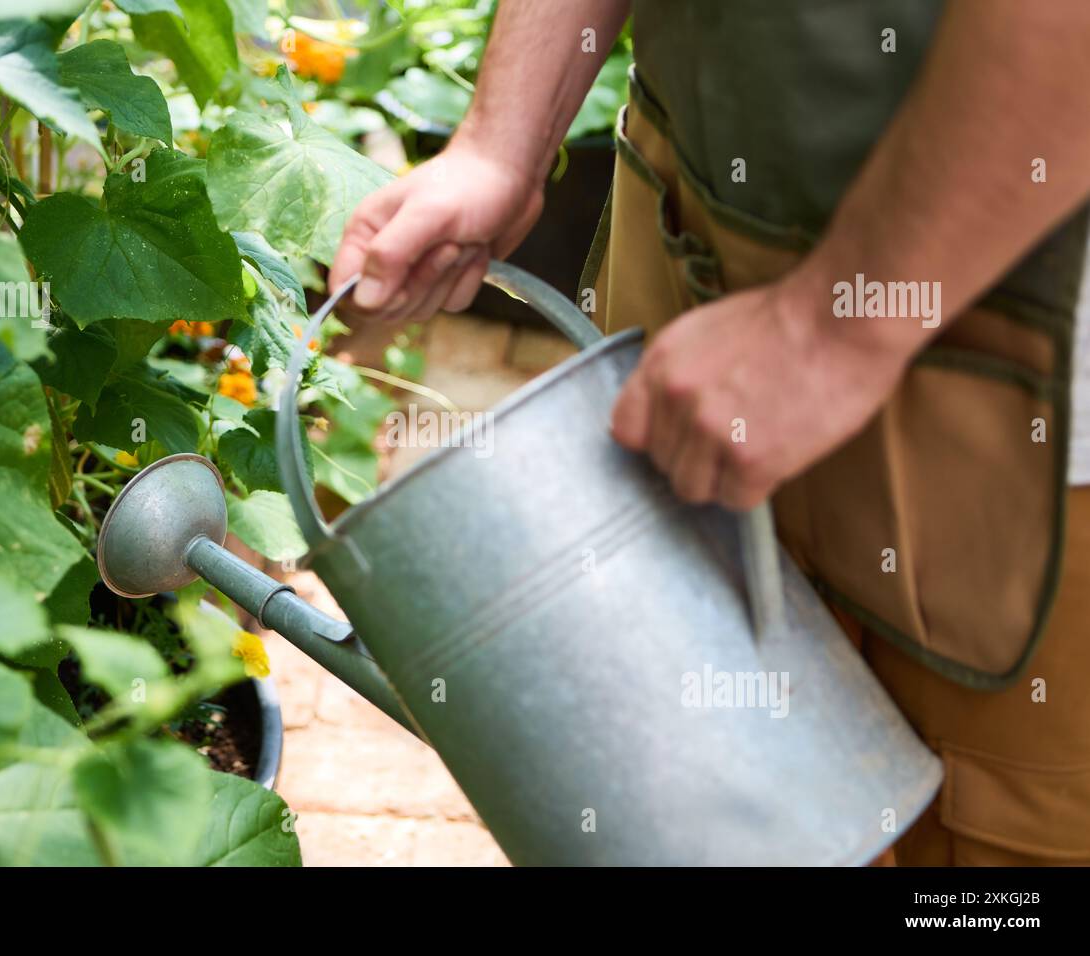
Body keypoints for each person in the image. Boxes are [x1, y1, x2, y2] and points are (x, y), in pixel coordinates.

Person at [330, 0, 1090, 865]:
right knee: (671, 777)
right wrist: (502, 140)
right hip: (693, 224)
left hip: (1015, 373)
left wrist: (833, 331)